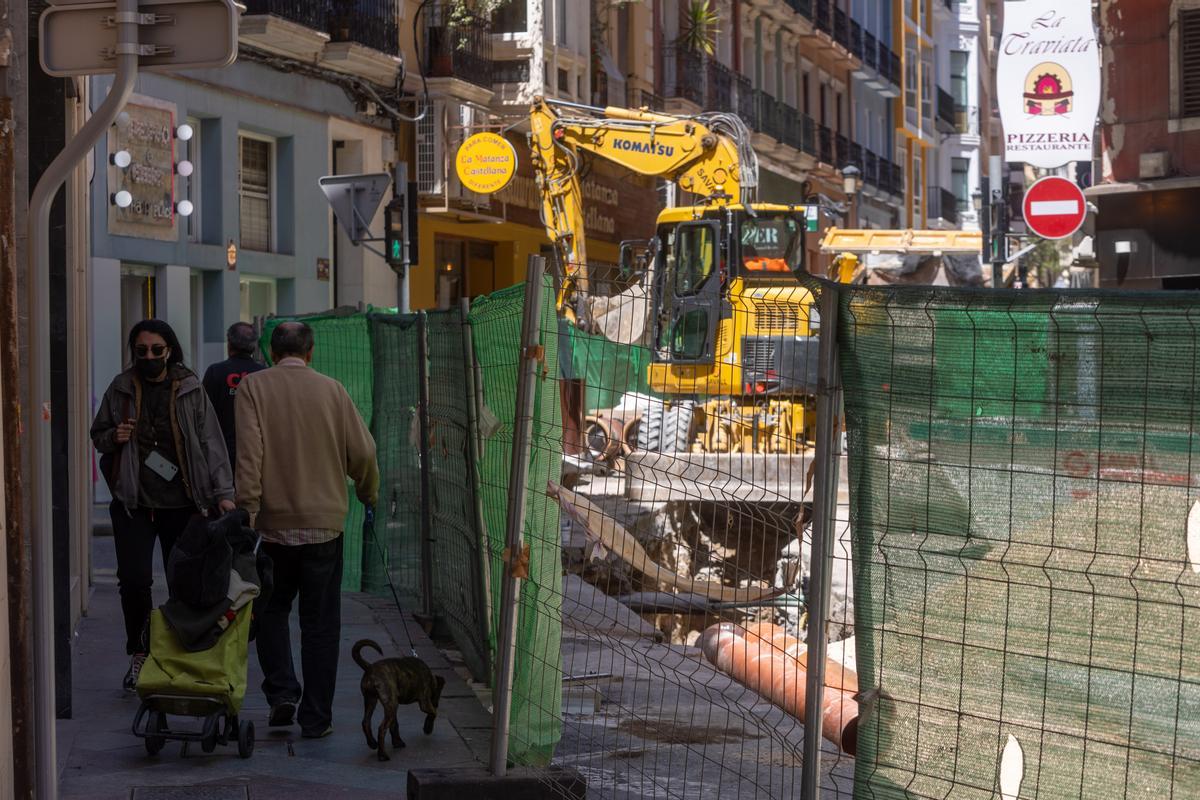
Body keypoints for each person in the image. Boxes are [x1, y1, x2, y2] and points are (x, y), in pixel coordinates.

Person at [235, 321, 379, 738]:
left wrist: (248, 512)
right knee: (320, 624)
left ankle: (282, 691)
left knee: (271, 611)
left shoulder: (253, 388)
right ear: (310, 351)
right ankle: (317, 718)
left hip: (273, 528)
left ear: (272, 352)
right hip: (325, 526)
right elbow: (364, 451)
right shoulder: (333, 390)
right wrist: (367, 491)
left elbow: (249, 456)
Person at [91, 319, 236, 691]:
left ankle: (175, 654)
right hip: (134, 503)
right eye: (142, 351)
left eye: (157, 350)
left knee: (182, 582)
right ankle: (140, 654)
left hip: (184, 504)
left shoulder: (189, 387)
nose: (150, 356)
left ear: (170, 349)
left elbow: (211, 443)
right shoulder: (121, 387)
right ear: (134, 352)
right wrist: (114, 435)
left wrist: (223, 494)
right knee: (135, 581)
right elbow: (99, 435)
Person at [202, 321, 265, 471]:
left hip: (220, 451)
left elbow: (203, 412)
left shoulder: (215, 371)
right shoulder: (263, 374)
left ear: (229, 344)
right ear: (253, 346)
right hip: (255, 451)